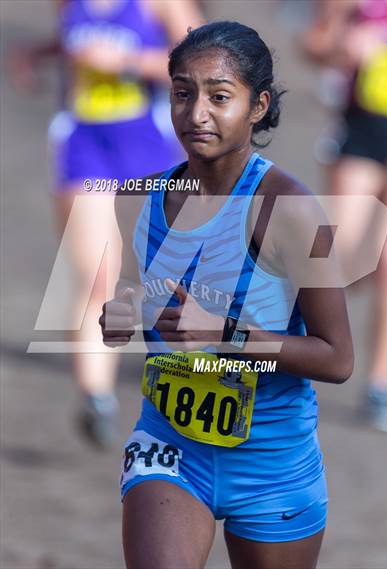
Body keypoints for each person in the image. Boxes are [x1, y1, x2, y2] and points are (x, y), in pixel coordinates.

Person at [100, 21, 354, 569]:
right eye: (183, 93)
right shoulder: (137, 198)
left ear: (258, 106)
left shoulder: (288, 208)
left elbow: (337, 359)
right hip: (169, 446)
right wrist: (119, 314)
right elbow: (129, 294)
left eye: (219, 97)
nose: (196, 114)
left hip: (272, 461)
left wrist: (226, 333)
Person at [9, 0, 203, 448]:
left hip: (151, 143)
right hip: (84, 143)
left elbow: (206, 62)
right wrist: (39, 52)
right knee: (97, 274)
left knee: (174, 277)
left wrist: (128, 62)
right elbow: (76, 40)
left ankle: (193, 386)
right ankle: (97, 398)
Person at [301, 0, 387, 434]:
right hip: (361, 131)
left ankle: (381, 388)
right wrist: (341, 47)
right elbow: (313, 44)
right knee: (343, 261)